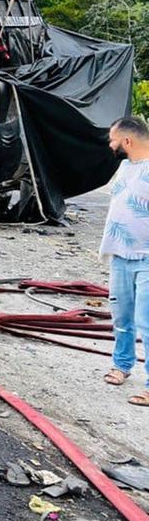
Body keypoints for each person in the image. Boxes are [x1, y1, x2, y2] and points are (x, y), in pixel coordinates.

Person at [102, 116, 149, 407]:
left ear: (128, 141)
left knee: (147, 322)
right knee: (121, 317)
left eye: (113, 139)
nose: (111, 144)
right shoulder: (124, 168)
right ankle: (121, 365)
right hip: (120, 255)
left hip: (147, 258)